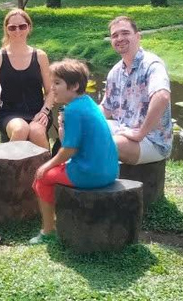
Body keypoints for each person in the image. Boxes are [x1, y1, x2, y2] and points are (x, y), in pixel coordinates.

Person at [30, 59, 118, 244]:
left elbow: (70, 149)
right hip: (109, 171)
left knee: (42, 179)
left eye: (57, 83)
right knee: (52, 172)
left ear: (74, 85)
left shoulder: (73, 111)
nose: (52, 88)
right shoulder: (88, 103)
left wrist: (47, 165)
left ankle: (48, 230)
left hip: (90, 173)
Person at [101, 16, 172, 165]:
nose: (119, 38)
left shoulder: (152, 64)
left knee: (105, 144)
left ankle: (91, 180)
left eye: (125, 33)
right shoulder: (115, 72)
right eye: (115, 35)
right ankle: (75, 175)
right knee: (77, 128)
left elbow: (162, 96)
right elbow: (106, 109)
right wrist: (78, 116)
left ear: (137, 36)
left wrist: (140, 133)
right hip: (124, 130)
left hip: (152, 141)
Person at [0, 9, 55, 149]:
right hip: (9, 114)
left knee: (36, 131)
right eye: (12, 27)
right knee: (20, 129)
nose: (18, 31)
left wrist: (44, 111)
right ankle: (8, 169)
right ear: (6, 29)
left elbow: (51, 91)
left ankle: (46, 170)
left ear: (29, 27)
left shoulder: (40, 56)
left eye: (22, 26)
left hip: (38, 111)